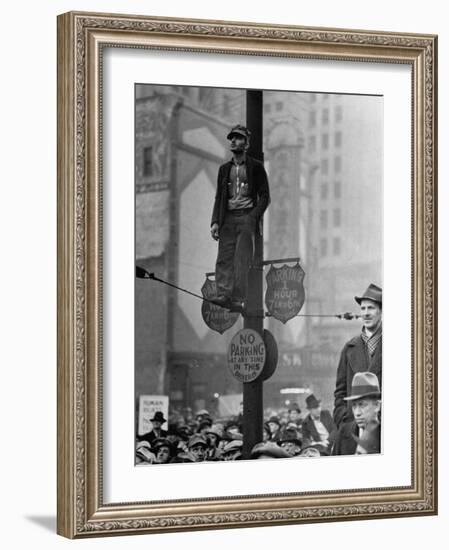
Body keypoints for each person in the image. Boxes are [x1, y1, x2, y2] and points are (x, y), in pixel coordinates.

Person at [210, 124, 270, 310]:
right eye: (232, 138)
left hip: (246, 217)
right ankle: (223, 294)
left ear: (246, 143)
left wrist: (253, 217)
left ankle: (237, 298)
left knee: (241, 258)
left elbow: (265, 196)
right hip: (227, 218)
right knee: (224, 258)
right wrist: (215, 222)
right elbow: (219, 196)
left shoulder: (256, 167)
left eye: (238, 138)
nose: (234, 141)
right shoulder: (224, 169)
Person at [333, 283, 382, 428]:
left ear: (381, 311)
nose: (366, 313)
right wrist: (343, 421)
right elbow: (340, 392)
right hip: (353, 428)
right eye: (363, 308)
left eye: (371, 308)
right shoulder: (349, 348)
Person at [332, 372, 381, 456]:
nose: (357, 413)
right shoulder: (343, 432)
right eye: (354, 406)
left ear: (377, 406)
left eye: (362, 405)